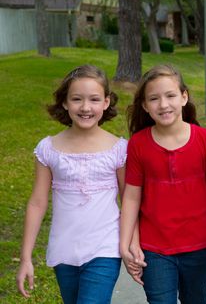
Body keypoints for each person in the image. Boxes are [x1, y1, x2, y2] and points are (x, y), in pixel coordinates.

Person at [120, 64, 206, 304]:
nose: (163, 104)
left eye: (170, 95)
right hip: (154, 248)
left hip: (199, 245)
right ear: (144, 105)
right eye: (154, 98)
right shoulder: (138, 144)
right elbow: (131, 197)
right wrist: (126, 244)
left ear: (184, 97)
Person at [16, 65, 127, 304]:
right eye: (77, 99)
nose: (86, 107)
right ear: (65, 103)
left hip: (105, 248)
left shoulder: (118, 149)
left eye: (94, 99)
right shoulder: (49, 148)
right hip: (64, 250)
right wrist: (26, 256)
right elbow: (37, 202)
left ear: (106, 102)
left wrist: (132, 243)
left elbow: (129, 200)